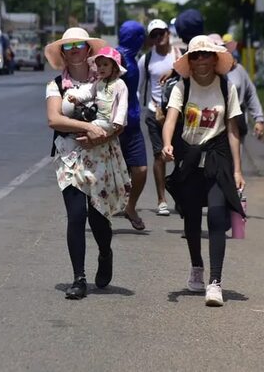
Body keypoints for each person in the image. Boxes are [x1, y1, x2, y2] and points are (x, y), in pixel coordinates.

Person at [45, 27, 131, 300]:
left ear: (88, 49)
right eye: (67, 47)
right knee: (76, 216)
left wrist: (97, 137)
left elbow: (120, 119)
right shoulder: (56, 85)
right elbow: (54, 119)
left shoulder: (108, 79)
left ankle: (105, 253)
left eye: (78, 45)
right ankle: (78, 278)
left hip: (102, 154)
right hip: (69, 155)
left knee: (98, 217)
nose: (74, 51)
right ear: (62, 53)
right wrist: (85, 127)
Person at [162, 35, 246, 307]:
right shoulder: (181, 87)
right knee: (191, 217)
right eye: (195, 56)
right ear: (190, 61)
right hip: (189, 155)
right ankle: (196, 265)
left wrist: (237, 170)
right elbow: (171, 118)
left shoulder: (226, 87)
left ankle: (215, 282)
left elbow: (233, 129)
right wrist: (166, 144)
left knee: (218, 216)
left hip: (217, 157)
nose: (201, 61)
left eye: (206, 55)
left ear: (215, 58)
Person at [137, 19, 183, 216]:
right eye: (154, 35)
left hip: (178, 111)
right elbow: (139, 88)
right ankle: (161, 199)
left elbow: (188, 75)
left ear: (168, 33)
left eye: (161, 33)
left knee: (181, 156)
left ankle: (181, 198)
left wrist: (175, 69)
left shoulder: (179, 55)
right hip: (154, 111)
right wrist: (137, 111)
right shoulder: (146, 60)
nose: (158, 38)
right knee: (159, 156)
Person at [117, 21, 148, 231]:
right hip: (116, 123)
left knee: (140, 168)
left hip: (133, 122)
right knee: (108, 171)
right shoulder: (116, 58)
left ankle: (130, 207)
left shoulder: (133, 56)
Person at [209, 34, 264, 140]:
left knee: (236, 155)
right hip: (209, 124)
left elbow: (250, 93)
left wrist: (259, 120)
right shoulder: (201, 74)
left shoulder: (238, 70)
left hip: (236, 123)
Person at [67, 46, 128, 136]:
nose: (101, 68)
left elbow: (123, 103)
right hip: (99, 119)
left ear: (115, 67)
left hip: (111, 121)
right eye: (99, 65)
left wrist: (119, 121)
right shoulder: (99, 82)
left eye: (105, 65)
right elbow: (89, 93)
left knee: (85, 131)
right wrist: (77, 99)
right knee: (84, 132)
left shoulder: (119, 84)